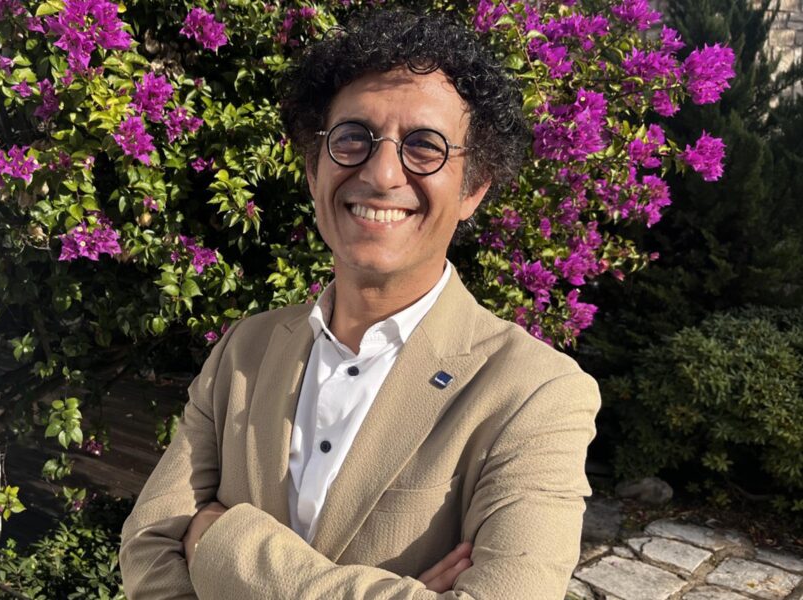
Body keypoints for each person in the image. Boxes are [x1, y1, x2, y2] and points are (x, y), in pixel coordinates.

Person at [119, 7, 600, 599]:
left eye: (424, 146)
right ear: (313, 169)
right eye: (353, 138)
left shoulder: (535, 393)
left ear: (473, 189)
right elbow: (148, 548)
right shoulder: (245, 349)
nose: (381, 173)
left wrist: (221, 543)